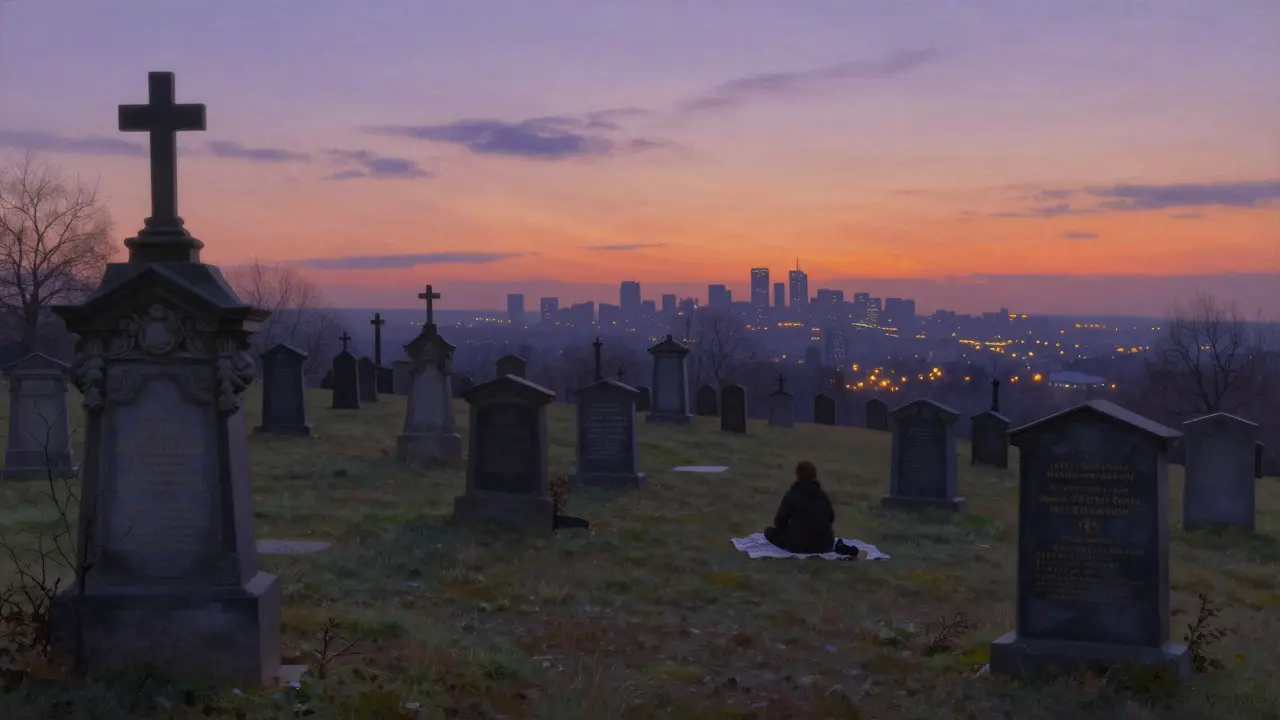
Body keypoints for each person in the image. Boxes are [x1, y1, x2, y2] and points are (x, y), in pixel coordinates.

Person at [765, 461, 863, 558]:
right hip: (825, 545)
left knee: (769, 532)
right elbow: (831, 517)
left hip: (799, 545)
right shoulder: (822, 495)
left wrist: (789, 530)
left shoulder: (792, 495)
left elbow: (780, 520)